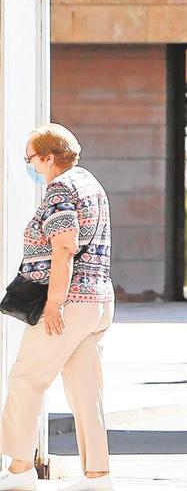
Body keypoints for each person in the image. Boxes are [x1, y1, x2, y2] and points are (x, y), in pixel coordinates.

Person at [0, 124, 115, 491]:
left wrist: (53, 304)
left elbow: (64, 247)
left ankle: (19, 469)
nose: (29, 165)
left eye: (31, 159)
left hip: (68, 303)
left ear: (49, 157)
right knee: (85, 390)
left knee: (26, 379)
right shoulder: (91, 184)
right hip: (97, 299)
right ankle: (97, 474)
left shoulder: (61, 189)